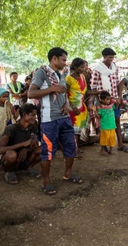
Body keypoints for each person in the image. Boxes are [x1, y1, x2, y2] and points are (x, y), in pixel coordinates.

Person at [28, 47, 83, 195]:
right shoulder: (41, 73)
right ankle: (46, 182)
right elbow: (31, 93)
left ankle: (68, 174)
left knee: (71, 146)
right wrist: (52, 89)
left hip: (64, 117)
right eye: (63, 60)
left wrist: (66, 105)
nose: (65, 63)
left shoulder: (60, 75)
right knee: (48, 152)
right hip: (49, 120)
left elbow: (63, 93)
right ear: (54, 58)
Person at [0, 104, 41, 184]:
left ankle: (28, 168)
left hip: (24, 158)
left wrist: (26, 149)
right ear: (24, 115)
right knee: (11, 154)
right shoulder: (11, 128)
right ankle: (10, 172)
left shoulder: (33, 127)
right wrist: (23, 144)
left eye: (35, 115)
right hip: (11, 160)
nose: (35, 117)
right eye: (33, 115)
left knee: (44, 149)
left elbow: (34, 144)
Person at [90, 48, 126, 152]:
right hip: (102, 101)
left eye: (113, 57)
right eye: (109, 57)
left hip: (114, 100)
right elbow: (93, 87)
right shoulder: (97, 70)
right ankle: (104, 146)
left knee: (117, 121)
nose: (111, 59)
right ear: (104, 56)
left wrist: (119, 97)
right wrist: (99, 103)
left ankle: (120, 144)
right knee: (104, 123)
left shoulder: (115, 68)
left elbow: (120, 83)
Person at [66, 58, 88, 157]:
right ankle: (72, 151)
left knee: (78, 131)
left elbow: (85, 92)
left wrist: (100, 92)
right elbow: (64, 95)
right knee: (73, 131)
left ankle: (76, 148)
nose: (84, 69)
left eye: (84, 67)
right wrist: (72, 106)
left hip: (82, 108)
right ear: (75, 67)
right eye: (82, 67)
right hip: (72, 109)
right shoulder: (68, 79)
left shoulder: (82, 77)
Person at [95, 91, 116, 156]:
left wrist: (115, 101)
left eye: (109, 99)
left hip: (112, 125)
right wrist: (95, 111)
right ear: (102, 100)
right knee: (104, 139)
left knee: (112, 138)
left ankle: (111, 150)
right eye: (107, 99)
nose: (109, 101)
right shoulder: (101, 108)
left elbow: (117, 105)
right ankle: (103, 150)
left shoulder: (112, 106)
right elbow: (99, 116)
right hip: (105, 126)